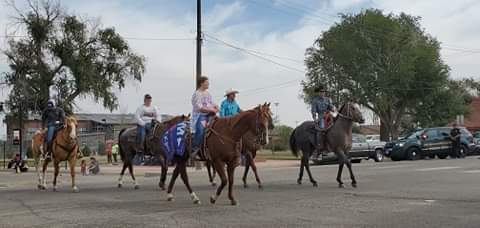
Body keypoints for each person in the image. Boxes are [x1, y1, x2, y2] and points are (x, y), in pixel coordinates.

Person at [191, 76, 219, 152]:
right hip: (201, 115)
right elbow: (200, 108)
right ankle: (195, 147)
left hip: (210, 114)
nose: (208, 84)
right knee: (201, 129)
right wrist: (211, 110)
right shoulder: (197, 94)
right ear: (202, 83)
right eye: (207, 82)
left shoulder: (207, 93)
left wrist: (216, 107)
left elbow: (212, 103)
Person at [134, 94, 160, 165]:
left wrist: (157, 121)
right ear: (144, 100)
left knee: (157, 135)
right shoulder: (140, 108)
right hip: (143, 124)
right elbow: (137, 116)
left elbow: (158, 115)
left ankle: (155, 151)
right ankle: (140, 151)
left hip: (152, 124)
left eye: (149, 100)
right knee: (142, 135)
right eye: (147, 100)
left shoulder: (154, 108)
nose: (148, 101)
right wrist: (142, 123)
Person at [311, 85, 335, 158]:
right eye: (321, 92)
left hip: (329, 116)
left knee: (337, 126)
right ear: (318, 93)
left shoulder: (328, 99)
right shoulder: (315, 101)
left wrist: (333, 108)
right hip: (321, 117)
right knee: (321, 129)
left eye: (324, 92)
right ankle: (320, 147)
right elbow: (314, 111)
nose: (322, 93)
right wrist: (315, 118)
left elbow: (331, 107)